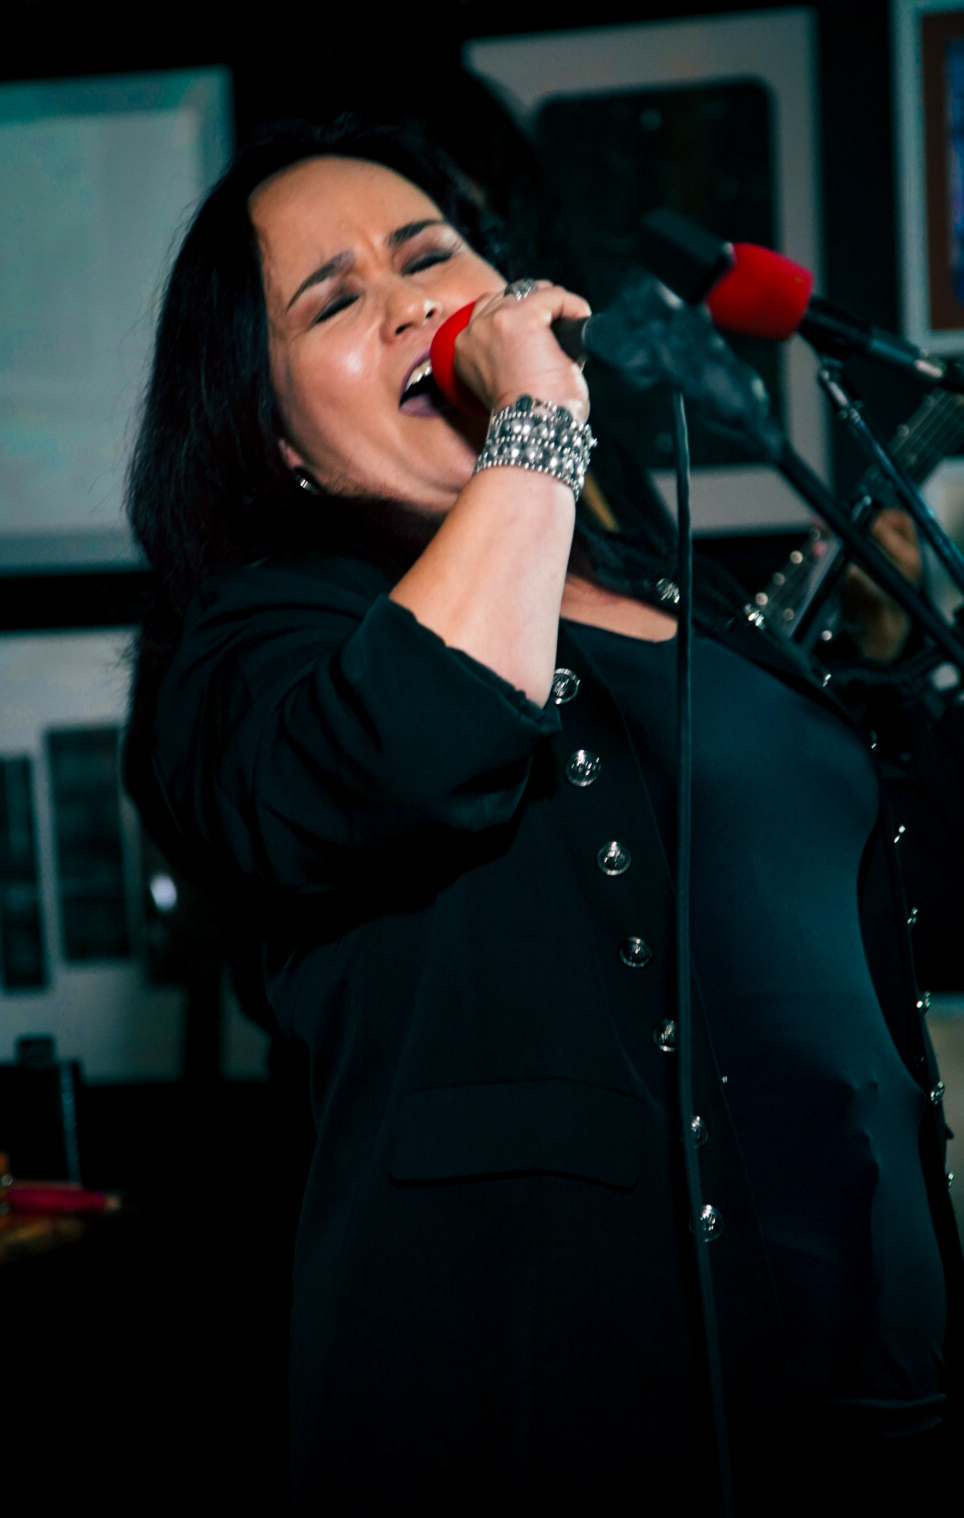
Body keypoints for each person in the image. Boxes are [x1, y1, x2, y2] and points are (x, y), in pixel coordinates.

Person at [123, 117, 963, 1515]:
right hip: (565, 1418)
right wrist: (537, 434)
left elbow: (885, 869)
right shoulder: (261, 646)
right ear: (276, 436)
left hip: (873, 1369)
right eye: (333, 301)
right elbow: (413, 740)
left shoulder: (667, 588)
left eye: (428, 256)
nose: (408, 304)